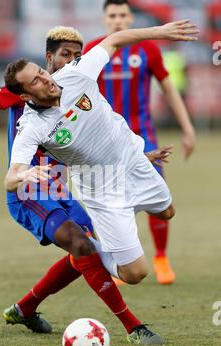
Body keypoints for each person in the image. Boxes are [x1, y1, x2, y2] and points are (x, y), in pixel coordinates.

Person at [0, 26, 172, 345]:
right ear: (49, 58)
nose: (73, 60)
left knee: (84, 252)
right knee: (82, 244)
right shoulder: (24, 89)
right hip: (29, 191)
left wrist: (137, 155)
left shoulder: (73, 81)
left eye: (77, 55)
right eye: (65, 55)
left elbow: (95, 137)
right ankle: (133, 326)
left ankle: (26, 307)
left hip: (64, 188)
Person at [3, 19, 198, 343]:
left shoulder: (75, 74)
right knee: (135, 274)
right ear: (25, 95)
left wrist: (160, 32)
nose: (45, 79)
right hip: (101, 189)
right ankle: (100, 248)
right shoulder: (32, 126)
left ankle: (101, 242)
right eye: (35, 82)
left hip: (133, 161)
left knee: (168, 212)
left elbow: (116, 38)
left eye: (42, 72)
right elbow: (11, 179)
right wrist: (23, 173)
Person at [83, 0, 196, 284]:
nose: (118, 20)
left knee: (157, 196)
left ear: (131, 18)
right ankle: (120, 257)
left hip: (143, 136)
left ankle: (160, 257)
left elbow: (168, 88)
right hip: (104, 142)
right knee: (109, 200)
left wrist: (187, 128)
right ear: (105, 19)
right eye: (113, 15)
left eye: (123, 15)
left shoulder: (147, 49)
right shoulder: (93, 50)